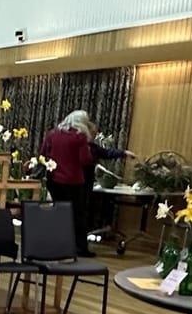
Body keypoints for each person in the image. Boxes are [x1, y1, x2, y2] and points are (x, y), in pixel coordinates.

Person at [41, 110, 130, 256]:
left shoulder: (52, 134)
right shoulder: (79, 137)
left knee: (59, 212)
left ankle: (55, 243)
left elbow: (43, 153)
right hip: (73, 181)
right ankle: (80, 248)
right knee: (77, 215)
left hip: (54, 180)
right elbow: (85, 159)